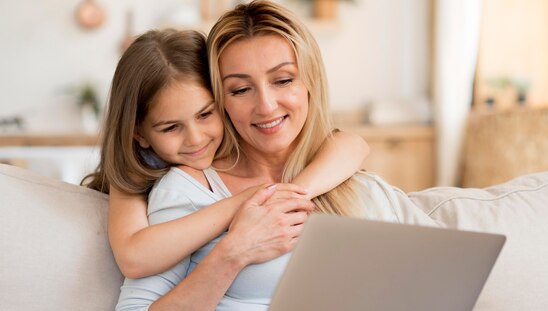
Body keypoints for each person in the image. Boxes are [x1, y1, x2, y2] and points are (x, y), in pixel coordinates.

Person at [113, 1, 435, 311]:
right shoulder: (189, 188)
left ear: (311, 82)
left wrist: (287, 195)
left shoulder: (355, 184)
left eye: (283, 80)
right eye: (239, 89)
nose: (266, 106)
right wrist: (234, 251)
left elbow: (442, 286)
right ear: (221, 99)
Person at [82, 29, 369, 279]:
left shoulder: (241, 140)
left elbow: (353, 145)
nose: (196, 139)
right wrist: (243, 202)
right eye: (170, 127)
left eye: (206, 114)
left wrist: (285, 194)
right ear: (139, 134)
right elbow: (134, 257)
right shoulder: (138, 162)